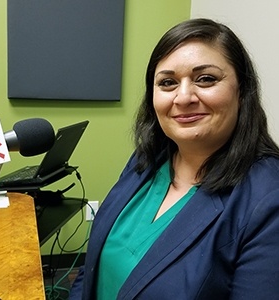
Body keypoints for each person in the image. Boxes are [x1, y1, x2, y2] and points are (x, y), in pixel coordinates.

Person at [70, 18, 279, 299]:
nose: (183, 97)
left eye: (206, 79)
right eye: (167, 83)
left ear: (242, 91)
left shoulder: (269, 199)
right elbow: (92, 269)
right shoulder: (146, 161)